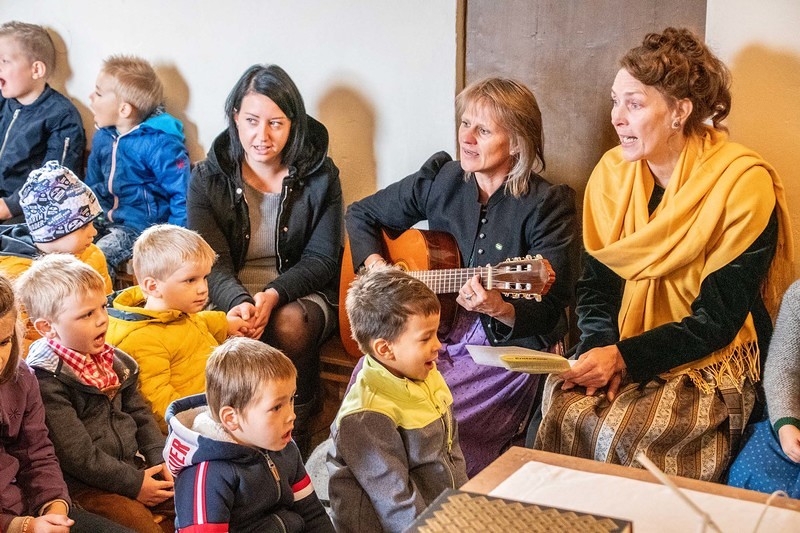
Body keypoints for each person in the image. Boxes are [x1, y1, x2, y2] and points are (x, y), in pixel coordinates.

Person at [534, 27, 793, 482]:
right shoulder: (611, 175)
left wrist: (624, 358)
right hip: (622, 342)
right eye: (615, 102)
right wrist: (597, 349)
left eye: (633, 104)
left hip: (709, 357)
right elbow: (596, 287)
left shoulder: (741, 184)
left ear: (679, 111)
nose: (617, 118)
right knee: (565, 403)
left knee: (628, 432)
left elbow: (717, 319)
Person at [346, 77, 578, 476]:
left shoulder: (547, 204)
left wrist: (500, 308)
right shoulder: (444, 178)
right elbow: (360, 214)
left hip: (505, 346)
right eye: (465, 123)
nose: (466, 138)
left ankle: (441, 493)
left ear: (517, 142)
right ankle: (376, 491)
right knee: (369, 387)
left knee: (438, 413)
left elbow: (552, 308)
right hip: (434, 326)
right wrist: (379, 270)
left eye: (483, 130)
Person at [188, 64, 343, 455]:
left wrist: (273, 294)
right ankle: (229, 437)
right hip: (227, 291)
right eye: (252, 121)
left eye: (276, 123)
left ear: (294, 123)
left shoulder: (322, 175)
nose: (262, 136)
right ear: (235, 117)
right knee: (212, 325)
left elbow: (323, 258)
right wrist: (238, 301)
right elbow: (211, 260)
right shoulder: (207, 177)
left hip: (299, 292)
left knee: (288, 323)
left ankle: (298, 429)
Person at [16, 254, 174, 532]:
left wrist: (159, 459)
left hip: (133, 468)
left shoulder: (116, 362)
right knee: (140, 525)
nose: (102, 319)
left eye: (103, 306)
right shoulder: (46, 378)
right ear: (47, 327)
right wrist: (135, 485)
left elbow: (140, 414)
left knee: (195, 498)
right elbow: (77, 455)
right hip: (87, 486)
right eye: (87, 314)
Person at [327, 266, 468, 532]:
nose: (438, 345)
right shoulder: (367, 414)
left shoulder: (426, 375)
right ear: (385, 349)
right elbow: (395, 502)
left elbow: (450, 452)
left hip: (440, 515)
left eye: (436, 333)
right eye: (426, 338)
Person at [0, 274, 134, 533]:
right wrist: (21, 526)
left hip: (32, 511)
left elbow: (36, 452)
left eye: (4, 342)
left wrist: (54, 506)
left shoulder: (21, 377)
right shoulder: (49, 377)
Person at [164, 337, 334, 532]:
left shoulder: (284, 447)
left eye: (291, 399)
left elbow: (312, 513)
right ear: (231, 418)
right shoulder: (207, 475)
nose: (291, 415)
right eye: (276, 407)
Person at [106, 224, 248, 432]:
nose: (203, 288)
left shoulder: (177, 312)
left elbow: (195, 324)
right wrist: (198, 426)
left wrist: (225, 323)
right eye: (190, 280)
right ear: (153, 286)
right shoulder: (142, 339)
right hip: (194, 427)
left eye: (204, 277)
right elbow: (158, 404)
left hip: (215, 406)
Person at [86, 55, 190, 281]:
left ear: (124, 109)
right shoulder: (103, 136)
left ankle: (102, 302)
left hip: (138, 227)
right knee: (62, 246)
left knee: (99, 258)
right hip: (100, 218)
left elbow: (182, 195)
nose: (90, 97)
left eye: (99, 93)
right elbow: (90, 184)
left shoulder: (160, 144)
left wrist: (174, 241)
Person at [1, 160, 112, 355]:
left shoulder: (93, 255)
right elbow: (17, 340)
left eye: (93, 223)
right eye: (84, 226)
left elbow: (107, 310)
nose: (94, 232)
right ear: (54, 230)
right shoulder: (15, 275)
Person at [0, 21, 86, 224]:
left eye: (4, 61)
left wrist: (10, 206)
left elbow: (56, 178)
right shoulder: (4, 100)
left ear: (36, 69)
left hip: (27, 207)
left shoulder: (62, 116)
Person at [728, 280, 800, 497]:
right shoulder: (798, 296)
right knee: (748, 474)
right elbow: (782, 367)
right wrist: (786, 425)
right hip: (792, 417)